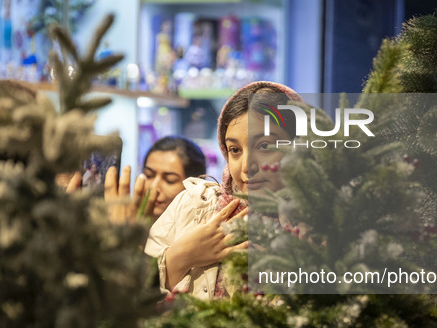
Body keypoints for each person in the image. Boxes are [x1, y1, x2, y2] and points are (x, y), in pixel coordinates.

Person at [144, 81, 302, 300]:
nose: (247, 166)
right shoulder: (196, 205)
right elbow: (128, 297)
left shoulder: (317, 224)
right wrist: (181, 257)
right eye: (235, 150)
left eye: (265, 146)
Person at [68, 135, 206, 223]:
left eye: (169, 180)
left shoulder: (195, 238)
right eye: (149, 175)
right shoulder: (119, 220)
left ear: (194, 185)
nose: (154, 187)